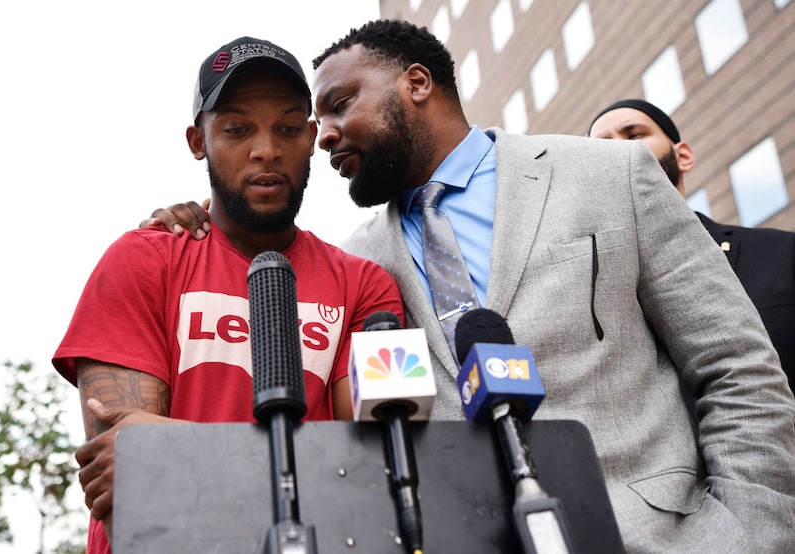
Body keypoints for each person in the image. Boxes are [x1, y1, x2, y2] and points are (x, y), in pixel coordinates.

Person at [144, 20, 795, 553]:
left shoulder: (611, 176)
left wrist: (739, 535)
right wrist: (194, 224)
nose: (326, 135)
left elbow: (738, 369)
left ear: (417, 83)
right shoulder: (358, 264)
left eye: (340, 105)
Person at [52, 36, 404, 554]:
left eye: (287, 128)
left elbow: (374, 464)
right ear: (199, 141)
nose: (266, 149)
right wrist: (289, 464)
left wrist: (180, 451)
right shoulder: (142, 259)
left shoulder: (366, 286)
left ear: (310, 137)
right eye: (238, 129)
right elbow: (125, 476)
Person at [588, 98, 795, 393]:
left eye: (634, 135)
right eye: (602, 146)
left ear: (683, 156)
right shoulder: (595, 297)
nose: (620, 149)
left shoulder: (782, 254)